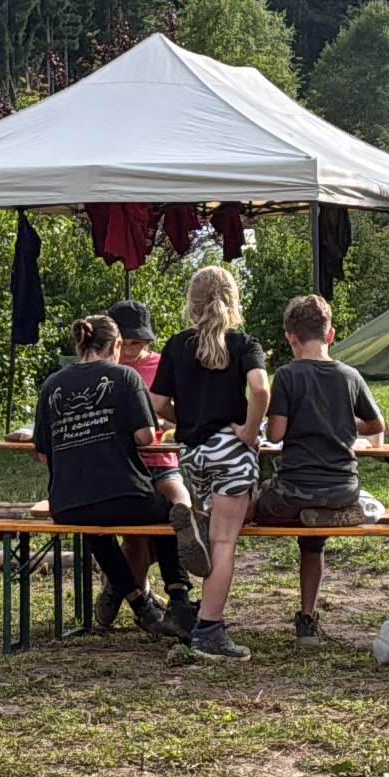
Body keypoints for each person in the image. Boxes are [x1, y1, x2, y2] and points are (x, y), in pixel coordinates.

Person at [40, 313, 242, 661]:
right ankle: (179, 601)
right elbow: (146, 437)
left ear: (80, 343)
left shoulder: (52, 384)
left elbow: (43, 454)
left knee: (93, 527)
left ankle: (140, 606)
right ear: (116, 345)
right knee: (171, 514)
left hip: (67, 503)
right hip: (123, 494)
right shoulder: (124, 377)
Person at [151, 266, 270, 646]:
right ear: (233, 300)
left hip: (193, 454)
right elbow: (260, 389)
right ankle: (209, 631)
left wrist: (184, 418)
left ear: (192, 303)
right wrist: (249, 431)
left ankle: (198, 530)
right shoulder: (244, 344)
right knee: (224, 543)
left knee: (213, 538)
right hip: (231, 453)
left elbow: (157, 403)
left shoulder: (176, 345)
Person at [256, 294, 384, 643]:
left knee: (246, 507)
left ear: (290, 338)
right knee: (313, 540)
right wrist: (348, 423)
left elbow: (276, 434)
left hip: (294, 489)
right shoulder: (350, 376)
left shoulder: (287, 375)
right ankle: (308, 618)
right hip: (342, 488)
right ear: (331, 334)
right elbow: (376, 425)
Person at [107, 297, 199, 627]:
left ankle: (186, 524)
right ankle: (124, 589)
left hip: (159, 455)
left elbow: (181, 417)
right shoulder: (105, 369)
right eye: (126, 341)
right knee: (136, 534)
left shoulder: (162, 365)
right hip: (121, 463)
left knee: (175, 498)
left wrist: (164, 424)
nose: (133, 348)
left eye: (140, 341)